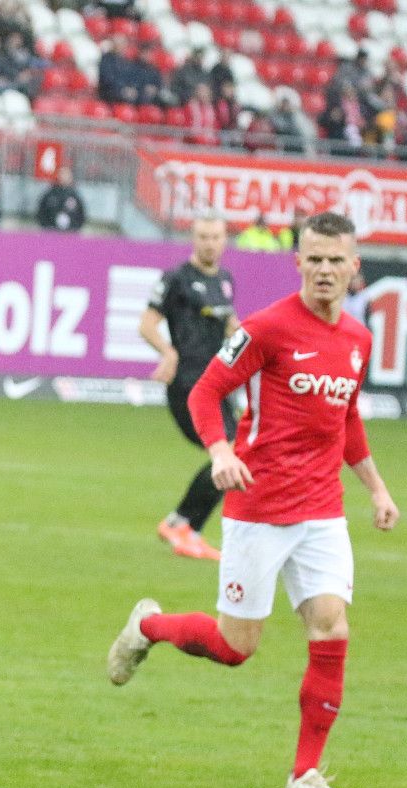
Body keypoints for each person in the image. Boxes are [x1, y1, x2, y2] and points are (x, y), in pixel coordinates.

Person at [108, 212, 400, 788]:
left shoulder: (357, 340)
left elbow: (344, 419)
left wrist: (375, 487)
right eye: (312, 258)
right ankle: (147, 627)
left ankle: (304, 775)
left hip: (322, 510)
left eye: (334, 259)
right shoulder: (267, 328)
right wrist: (218, 449)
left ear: (353, 267)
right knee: (235, 647)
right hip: (259, 507)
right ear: (297, 264)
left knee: (331, 625)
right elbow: (205, 390)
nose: (323, 269)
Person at [139, 215, 241, 560]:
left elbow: (230, 326)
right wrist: (167, 352)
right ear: (193, 239)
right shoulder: (176, 279)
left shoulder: (225, 281)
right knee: (228, 452)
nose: (209, 243)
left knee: (236, 452)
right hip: (188, 384)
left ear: (224, 240)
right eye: (202, 236)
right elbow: (147, 324)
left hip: (218, 384)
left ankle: (187, 529)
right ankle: (181, 523)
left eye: (215, 237)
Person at [35, 164, 85, 232]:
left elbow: (81, 215)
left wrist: (74, 228)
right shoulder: (50, 194)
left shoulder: (75, 196)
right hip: (50, 233)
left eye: (66, 175)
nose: (64, 177)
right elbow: (41, 212)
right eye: (62, 175)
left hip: (69, 234)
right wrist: (47, 227)